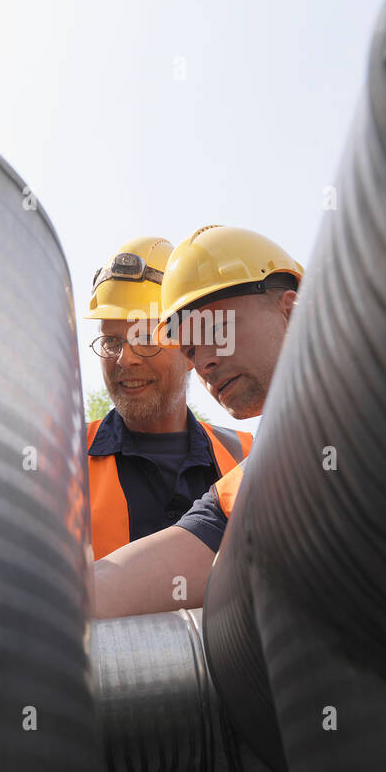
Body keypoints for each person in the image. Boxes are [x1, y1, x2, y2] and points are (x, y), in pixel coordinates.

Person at [93, 226, 302, 618]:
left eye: (218, 331)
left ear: (290, 311)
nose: (204, 361)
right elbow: (186, 550)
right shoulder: (257, 474)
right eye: (191, 348)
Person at [84, 236, 251, 563]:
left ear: (191, 350)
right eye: (110, 341)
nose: (124, 359)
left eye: (145, 338)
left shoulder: (249, 455)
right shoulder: (62, 461)